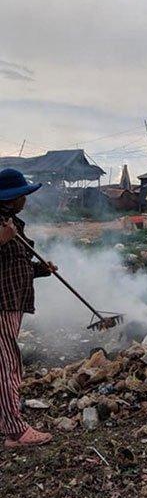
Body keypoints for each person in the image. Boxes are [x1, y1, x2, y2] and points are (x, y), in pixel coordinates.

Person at [0, 169, 56, 448]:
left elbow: (14, 268)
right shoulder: (2, 227)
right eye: (23, 195)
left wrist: (41, 270)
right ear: (13, 198)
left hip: (13, 303)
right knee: (7, 367)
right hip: (2, 306)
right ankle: (15, 432)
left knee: (8, 364)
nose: (26, 199)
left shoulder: (11, 223)